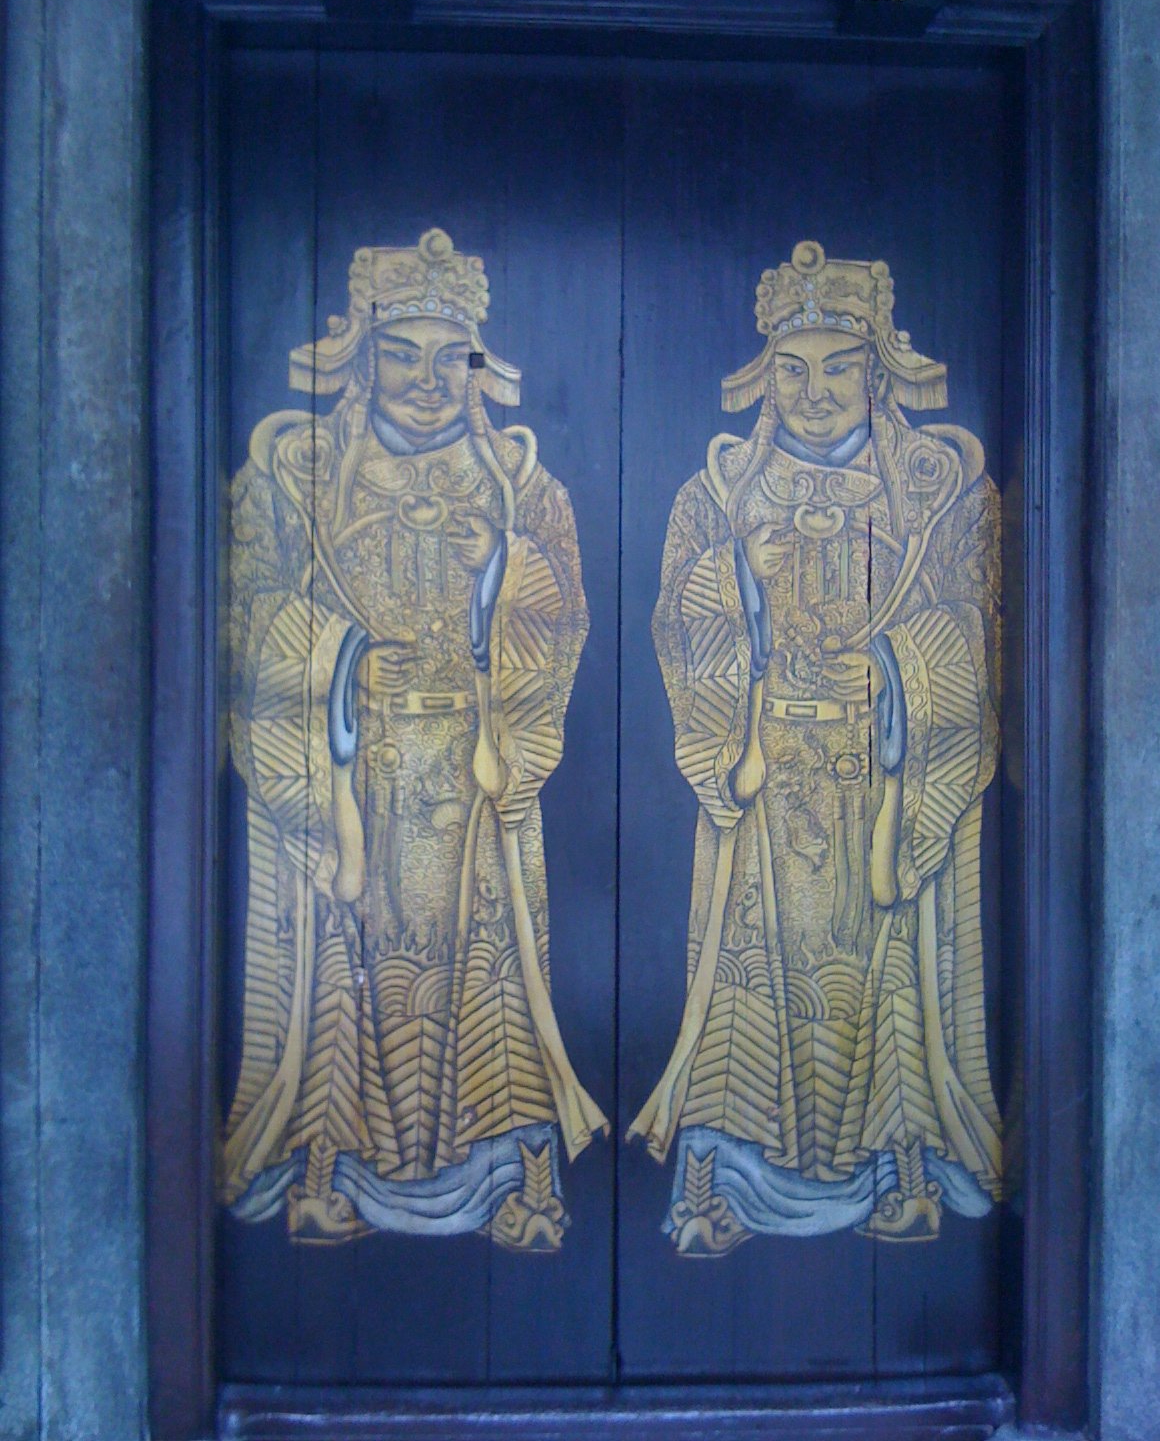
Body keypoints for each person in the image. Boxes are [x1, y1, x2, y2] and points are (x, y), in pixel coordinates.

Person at [221, 229, 607, 1247]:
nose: (429, 382)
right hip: (351, 774)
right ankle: (327, 1171)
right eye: (402, 354)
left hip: (475, 775)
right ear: (362, 355)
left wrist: (504, 598)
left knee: (496, 978)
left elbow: (561, 623)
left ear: (481, 366)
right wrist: (341, 661)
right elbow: (250, 624)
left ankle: (514, 1178)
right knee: (338, 973)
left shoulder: (522, 487)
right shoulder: (298, 475)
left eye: (452, 358)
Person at [630, 241, 1002, 1251]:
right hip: (767, 773)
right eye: (793, 369)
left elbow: (970, 640)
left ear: (878, 369)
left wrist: (900, 673)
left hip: (883, 776)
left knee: (891, 981)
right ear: (765, 374)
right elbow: (681, 631)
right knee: (744, 982)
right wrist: (734, 595)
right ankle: (720, 1179)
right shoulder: (720, 492)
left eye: (840, 367)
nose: (816, 392)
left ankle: (900, 1171)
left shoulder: (933, 490)